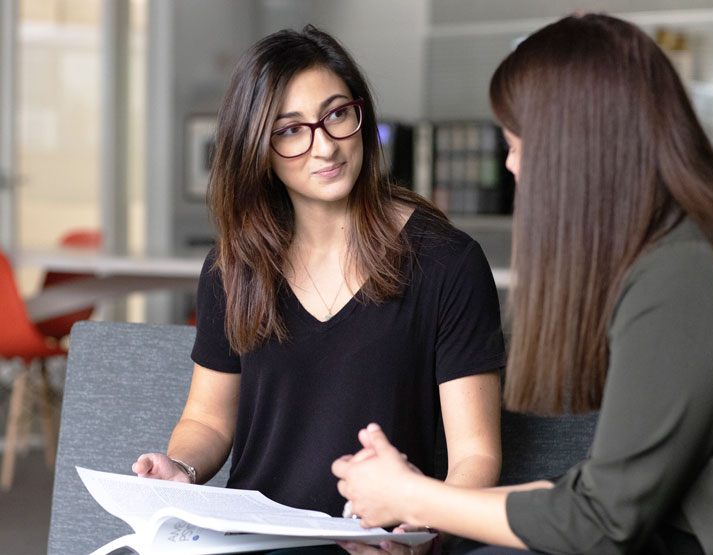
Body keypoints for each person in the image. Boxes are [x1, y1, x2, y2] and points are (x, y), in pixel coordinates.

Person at [332, 13, 713, 555]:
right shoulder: (700, 248)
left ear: (573, 153)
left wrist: (411, 496)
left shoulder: (686, 276)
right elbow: (604, 493)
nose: (510, 165)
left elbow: (599, 522)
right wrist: (421, 500)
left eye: (516, 144)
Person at [132, 25, 505, 555]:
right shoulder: (234, 265)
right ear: (257, 148)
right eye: (290, 130)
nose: (324, 146)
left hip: (382, 543)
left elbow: (476, 456)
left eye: (336, 115)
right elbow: (207, 419)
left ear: (361, 114)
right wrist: (183, 469)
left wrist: (428, 529)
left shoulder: (448, 261)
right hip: (251, 543)